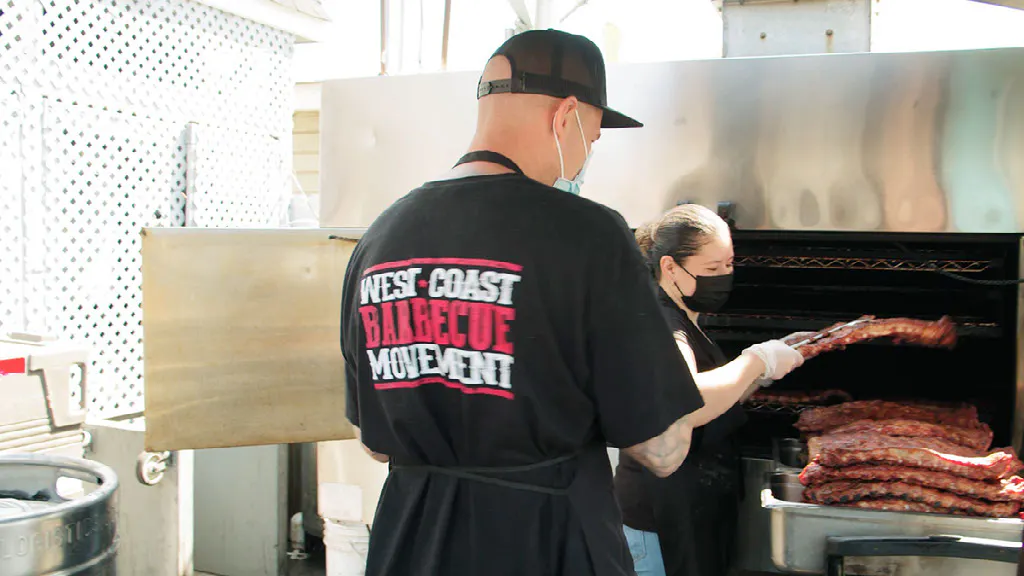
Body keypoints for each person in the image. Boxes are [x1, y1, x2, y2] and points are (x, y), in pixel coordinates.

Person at [340, 29, 708, 576]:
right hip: (549, 544)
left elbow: (372, 442)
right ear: (566, 116)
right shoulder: (589, 235)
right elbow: (662, 448)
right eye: (593, 137)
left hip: (412, 546)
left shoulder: (379, 239)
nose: (587, 155)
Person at [613, 204, 806, 576]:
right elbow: (683, 402)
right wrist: (755, 361)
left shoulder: (685, 316)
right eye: (712, 268)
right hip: (659, 522)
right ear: (670, 267)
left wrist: (758, 377)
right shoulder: (663, 323)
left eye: (729, 265)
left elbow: (711, 400)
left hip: (691, 507)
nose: (724, 277)